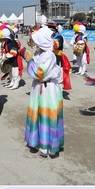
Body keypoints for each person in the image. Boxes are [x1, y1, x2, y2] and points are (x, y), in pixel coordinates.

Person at [23, 25, 64, 158]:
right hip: (38, 87)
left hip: (48, 89)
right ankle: (38, 141)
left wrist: (29, 60)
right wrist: (30, 59)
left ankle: (48, 146)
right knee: (38, 114)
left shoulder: (49, 55)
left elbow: (38, 73)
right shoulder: (40, 53)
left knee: (48, 116)